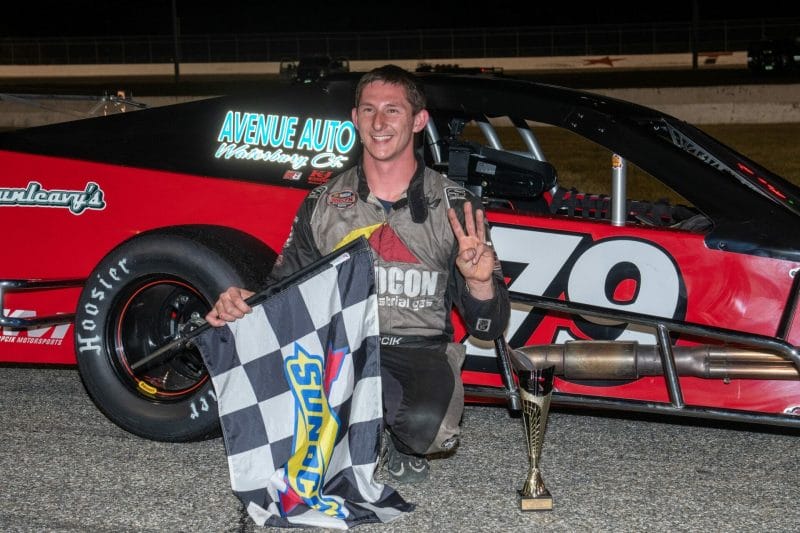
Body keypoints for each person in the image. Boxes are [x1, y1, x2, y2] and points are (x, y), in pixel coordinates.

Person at [205, 64, 510, 483]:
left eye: (392, 110)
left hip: (416, 348)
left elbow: (487, 326)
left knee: (430, 428)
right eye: (368, 110)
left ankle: (390, 432)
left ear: (418, 120)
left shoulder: (457, 206)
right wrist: (243, 302)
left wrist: (479, 282)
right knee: (286, 423)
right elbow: (283, 291)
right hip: (338, 347)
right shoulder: (323, 201)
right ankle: (359, 424)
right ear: (355, 118)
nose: (379, 123)